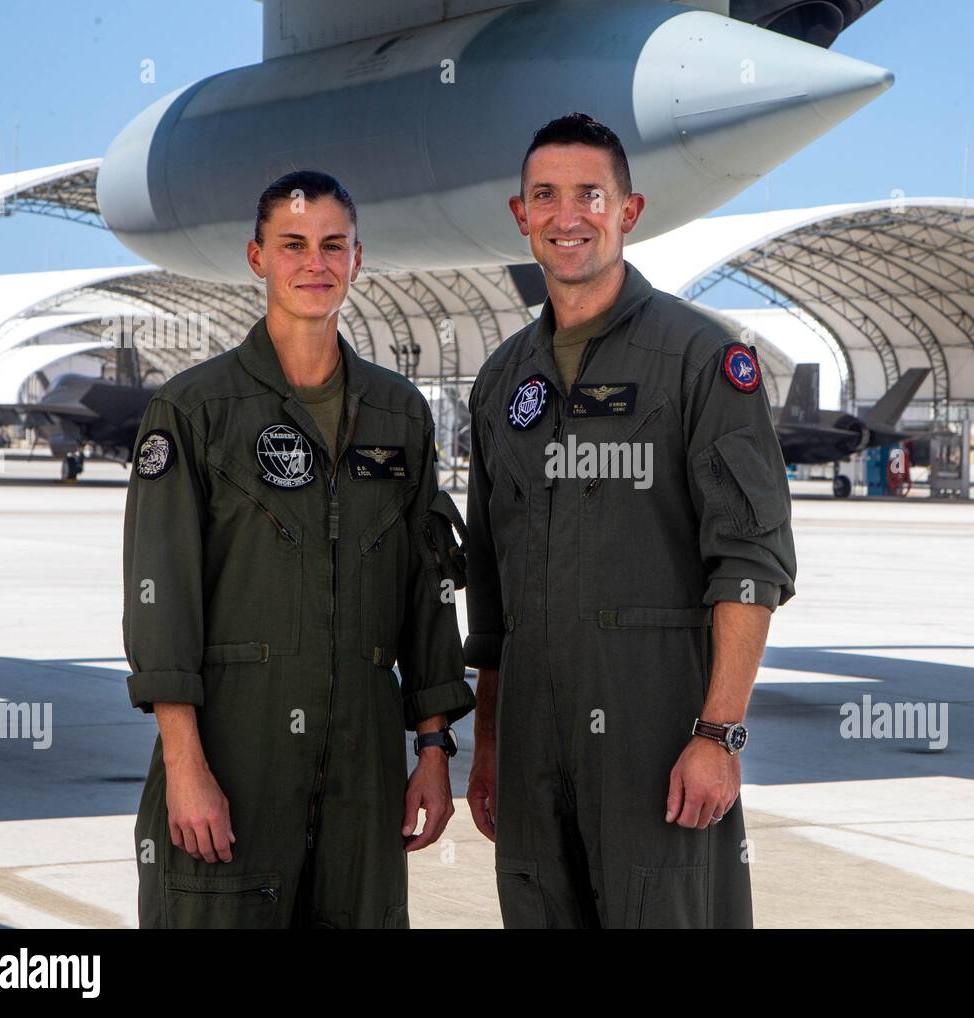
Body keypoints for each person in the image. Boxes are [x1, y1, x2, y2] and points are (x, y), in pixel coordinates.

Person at [462, 114, 798, 928]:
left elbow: (750, 560)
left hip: (658, 738)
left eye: (589, 195)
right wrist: (491, 744)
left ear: (629, 211)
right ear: (521, 216)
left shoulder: (701, 360)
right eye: (546, 196)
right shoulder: (502, 382)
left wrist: (719, 734)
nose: (567, 216)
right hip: (532, 746)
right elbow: (491, 589)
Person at [122, 170, 474, 928]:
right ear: (257, 258)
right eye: (293, 245)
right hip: (233, 758)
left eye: (332, 246)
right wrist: (186, 769)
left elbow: (428, 592)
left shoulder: (398, 413)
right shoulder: (193, 410)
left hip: (365, 769)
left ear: (356, 259)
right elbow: (161, 598)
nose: (315, 263)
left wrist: (436, 751)